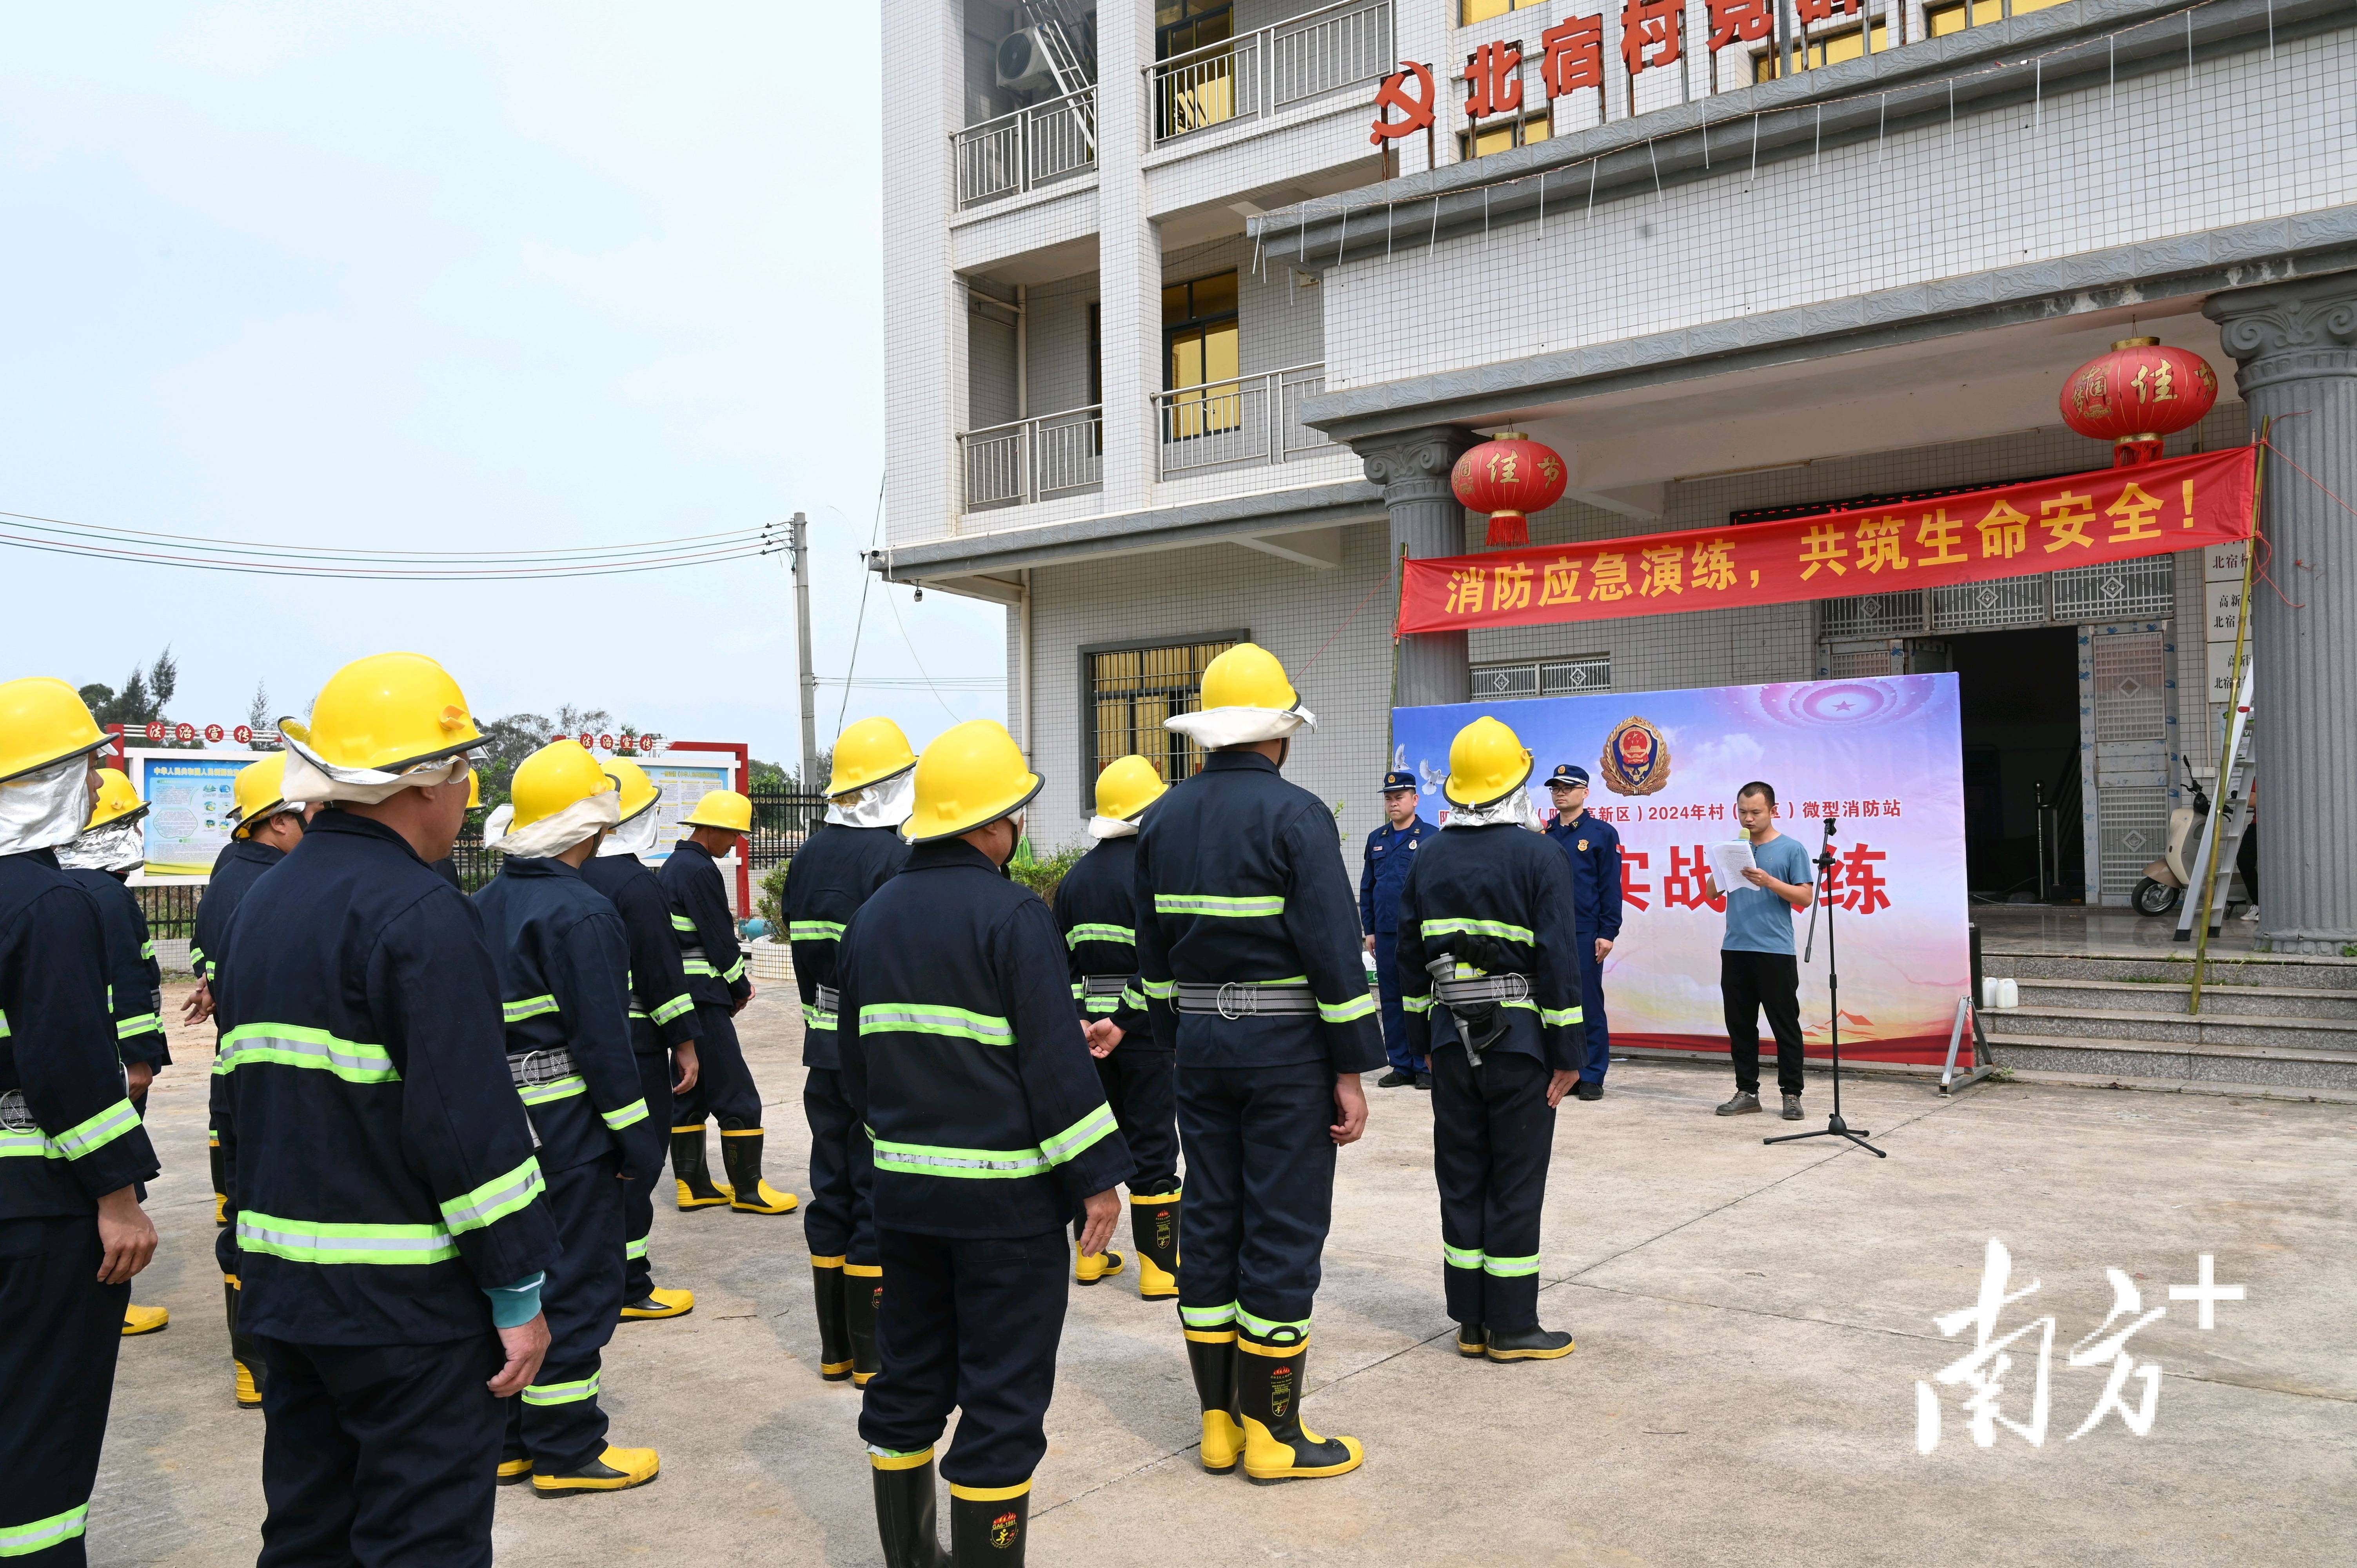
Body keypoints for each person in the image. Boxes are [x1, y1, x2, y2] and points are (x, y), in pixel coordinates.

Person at [211, 652, 559, 1566]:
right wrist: (518, 1291)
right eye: (461, 771)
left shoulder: (265, 902)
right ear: (428, 783)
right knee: (421, 1541)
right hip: (407, 1310)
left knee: (308, 1532)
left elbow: (247, 1105)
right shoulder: (421, 911)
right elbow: (466, 1128)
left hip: (287, 1295)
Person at [839, 719, 1131, 1568]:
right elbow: (1050, 1064)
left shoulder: (873, 917)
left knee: (906, 1385)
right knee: (1001, 1405)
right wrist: (1099, 1178)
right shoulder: (1011, 913)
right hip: (1006, 1210)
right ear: (992, 823)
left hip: (904, 1200)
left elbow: (856, 1064)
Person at [1132, 641, 1382, 1484]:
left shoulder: (1161, 816)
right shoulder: (1299, 815)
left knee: (1212, 1221)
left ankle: (1218, 1425)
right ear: (1279, 731)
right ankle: (1275, 1435)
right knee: (1281, 1229)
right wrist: (1350, 1069)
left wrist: (1180, 1040)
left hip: (1200, 1053)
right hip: (1285, 1056)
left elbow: (1152, 953)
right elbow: (1334, 954)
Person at [0, 677, 161, 1568]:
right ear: (49, 779)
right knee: (38, 1426)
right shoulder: (45, 900)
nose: (102, 779)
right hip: (34, 1209)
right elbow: (65, 1065)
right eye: (89, 763)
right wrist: (119, 1195)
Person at [474, 740, 663, 1494]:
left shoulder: (481, 903)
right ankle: (569, 1449)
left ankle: (513, 1441)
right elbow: (604, 1043)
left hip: (500, 1125)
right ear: (592, 826)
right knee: (578, 1283)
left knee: (514, 1280)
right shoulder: (583, 910)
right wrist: (637, 1139)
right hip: (569, 1132)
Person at [1396, 717, 1583, 1363]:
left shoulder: (1431, 856)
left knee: (1462, 1177)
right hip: (1519, 1045)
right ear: (1515, 783)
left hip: (1451, 1042)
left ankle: (1470, 1321)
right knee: (1514, 1182)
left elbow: (1407, 955)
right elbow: (1560, 959)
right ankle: (1512, 1326)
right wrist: (1569, 1055)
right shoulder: (1541, 855)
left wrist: (1422, 1037)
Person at [782, 717, 913, 1386]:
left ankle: (835, 1349)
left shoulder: (805, 858)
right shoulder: (890, 860)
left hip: (820, 1051)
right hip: (873, 1060)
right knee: (873, 1194)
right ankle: (872, 1357)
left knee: (829, 1190)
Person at [188, 748, 314, 1408]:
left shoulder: (235, 872)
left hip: (240, 1067)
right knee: (254, 1222)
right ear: (278, 822)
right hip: (265, 1076)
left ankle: (256, 1360)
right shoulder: (263, 884)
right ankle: (254, 1362)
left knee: (251, 1215)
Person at [1051, 754, 1181, 1298]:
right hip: (1146, 1032)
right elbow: (1162, 959)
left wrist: (1084, 1019)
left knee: (1096, 1141)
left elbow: (1064, 965)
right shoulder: (1154, 872)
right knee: (1152, 1144)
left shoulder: (1074, 881)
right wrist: (1124, 1020)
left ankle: (1089, 1259)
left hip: (1088, 1041)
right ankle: (1158, 1269)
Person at [580, 758, 704, 1322]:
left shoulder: (569, 873)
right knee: (638, 1161)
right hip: (637, 1045)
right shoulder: (636, 884)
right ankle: (630, 1286)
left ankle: (594, 1275)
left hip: (580, 1046)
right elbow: (661, 974)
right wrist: (685, 1042)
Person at [58, 767, 173, 1338]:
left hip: (93, 1061)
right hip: (116, 1066)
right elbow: (128, 984)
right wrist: (140, 1060)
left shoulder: (67, 891)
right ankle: (112, 1297)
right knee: (117, 1180)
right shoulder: (107, 895)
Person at [661, 789, 797, 1216]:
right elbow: (720, 940)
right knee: (738, 1095)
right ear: (713, 829)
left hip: (682, 999)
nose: (734, 843)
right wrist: (740, 986)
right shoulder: (700, 870)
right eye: (733, 834)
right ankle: (748, 1189)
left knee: (690, 1089)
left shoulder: (672, 867)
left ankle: (694, 1185)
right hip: (704, 999)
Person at [1703, 781, 1816, 1121]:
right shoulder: (1735, 847)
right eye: (1743, 812)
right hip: (1736, 948)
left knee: (1785, 1025)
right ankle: (1747, 1091)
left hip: (1775, 951)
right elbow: (1711, 893)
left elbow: (1806, 897)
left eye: (1756, 812)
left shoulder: (1791, 849)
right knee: (1741, 1024)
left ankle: (1792, 1094)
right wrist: (1724, 864)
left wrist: (1769, 882)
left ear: (1773, 810)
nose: (1749, 818)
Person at [1542, 764, 1622, 1102]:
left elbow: (1610, 887)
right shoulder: (1542, 835)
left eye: (1568, 787)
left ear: (1585, 792)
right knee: (1551, 1003)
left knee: (1587, 1003)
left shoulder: (1601, 834)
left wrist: (1608, 931)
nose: (1561, 792)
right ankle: (1560, 1070)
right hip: (1547, 931)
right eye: (1556, 788)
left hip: (1585, 931)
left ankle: (1591, 1074)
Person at [1359, 769, 1435, 1091]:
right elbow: (1368, 888)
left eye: (1399, 797)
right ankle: (1401, 1064)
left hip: (1418, 933)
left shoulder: (1431, 837)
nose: (1393, 803)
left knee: (1422, 999)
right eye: (1389, 798)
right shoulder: (1377, 840)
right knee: (1391, 1000)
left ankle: (1425, 1066)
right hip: (1387, 934)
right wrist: (1370, 930)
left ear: (1415, 800)